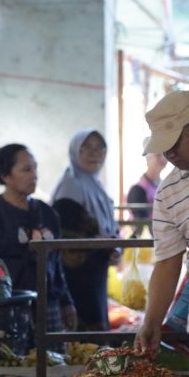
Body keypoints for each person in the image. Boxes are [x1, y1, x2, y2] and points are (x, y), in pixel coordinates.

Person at [0, 144, 77, 335]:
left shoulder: (48, 214)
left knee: (53, 362)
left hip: (48, 306)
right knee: (13, 362)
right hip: (5, 307)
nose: (34, 175)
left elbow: (56, 264)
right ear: (6, 176)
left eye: (35, 168)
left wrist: (66, 303)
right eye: (26, 169)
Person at [134, 90, 189, 354]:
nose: (169, 154)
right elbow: (167, 261)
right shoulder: (169, 192)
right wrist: (151, 321)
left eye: (174, 144)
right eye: (164, 147)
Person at [51, 129, 120, 331]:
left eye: (100, 148)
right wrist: (104, 244)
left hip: (94, 269)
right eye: (86, 148)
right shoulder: (70, 186)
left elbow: (105, 227)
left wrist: (114, 248)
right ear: (75, 151)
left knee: (96, 320)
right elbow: (66, 234)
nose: (94, 153)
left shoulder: (95, 184)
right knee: (85, 326)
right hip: (77, 274)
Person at [125, 152, 167, 226]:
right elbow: (141, 224)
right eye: (158, 155)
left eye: (165, 154)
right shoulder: (137, 190)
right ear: (148, 159)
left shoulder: (165, 185)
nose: (163, 158)